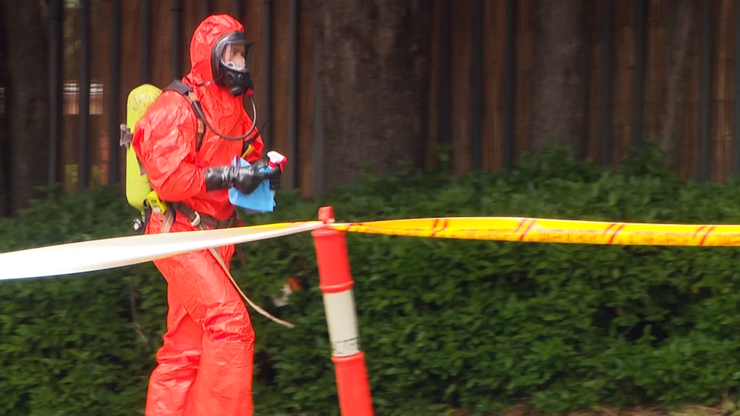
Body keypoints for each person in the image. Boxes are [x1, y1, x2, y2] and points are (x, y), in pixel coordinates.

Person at [131, 14, 280, 416]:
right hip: (178, 232)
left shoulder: (233, 106)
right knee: (230, 326)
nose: (240, 63)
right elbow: (171, 179)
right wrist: (228, 175)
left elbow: (250, 149)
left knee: (185, 349)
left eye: (242, 54)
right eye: (231, 53)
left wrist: (261, 172)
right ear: (211, 57)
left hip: (214, 239)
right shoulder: (176, 106)